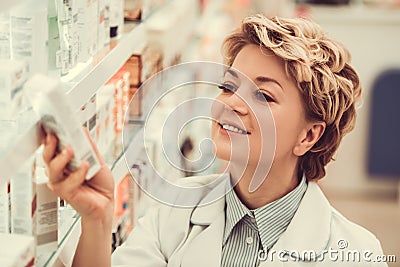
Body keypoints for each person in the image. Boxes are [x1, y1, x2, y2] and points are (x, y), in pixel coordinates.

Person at [43, 15, 387, 266]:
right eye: (228, 85)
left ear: (309, 135)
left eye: (264, 96)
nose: (232, 103)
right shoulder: (174, 213)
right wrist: (98, 220)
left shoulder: (355, 252)